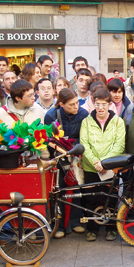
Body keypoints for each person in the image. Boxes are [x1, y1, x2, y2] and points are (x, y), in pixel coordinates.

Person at [80, 88, 125, 242]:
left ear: (109, 105)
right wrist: (95, 162)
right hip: (91, 167)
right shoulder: (86, 122)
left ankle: (111, 228)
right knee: (91, 199)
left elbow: (119, 145)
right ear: (93, 104)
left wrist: (104, 163)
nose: (100, 108)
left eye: (103, 104)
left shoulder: (118, 121)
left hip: (110, 167)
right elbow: (84, 145)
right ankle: (92, 229)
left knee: (111, 198)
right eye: (97, 104)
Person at [44, 88, 89, 238]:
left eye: (77, 103)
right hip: (59, 157)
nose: (76, 107)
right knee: (60, 190)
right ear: (61, 104)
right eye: (71, 105)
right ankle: (60, 224)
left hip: (76, 156)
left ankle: (76, 221)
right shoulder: (51, 116)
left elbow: (85, 136)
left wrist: (73, 146)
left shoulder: (83, 114)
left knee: (76, 189)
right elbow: (48, 139)